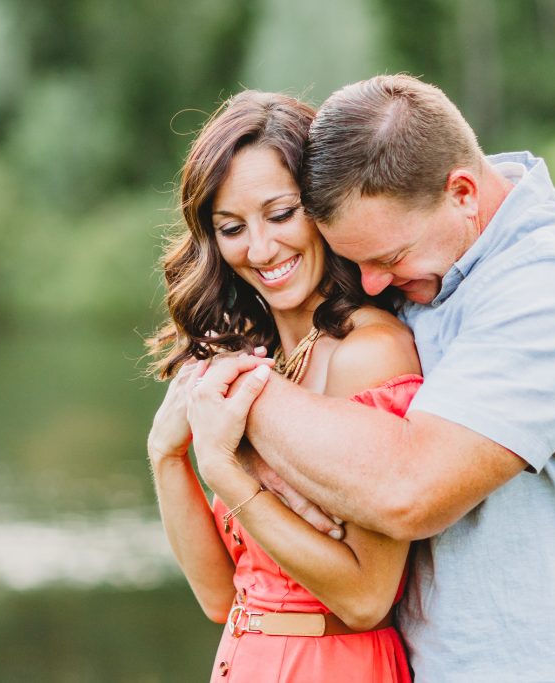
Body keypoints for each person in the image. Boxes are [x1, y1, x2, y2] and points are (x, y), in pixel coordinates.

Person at [195, 74, 555, 681]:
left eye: (386, 260)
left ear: (464, 193)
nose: (371, 285)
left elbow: (408, 489)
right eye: (358, 261)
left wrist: (226, 395)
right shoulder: (431, 249)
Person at [144, 91, 422, 682]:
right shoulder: (261, 358)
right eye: (232, 227)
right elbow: (222, 599)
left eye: (281, 213)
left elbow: (367, 596)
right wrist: (168, 457)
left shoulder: (367, 354)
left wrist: (225, 472)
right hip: (247, 658)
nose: (262, 249)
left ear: (321, 206)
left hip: (333, 664)